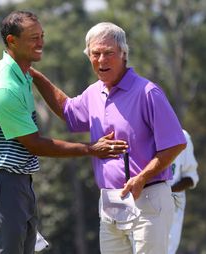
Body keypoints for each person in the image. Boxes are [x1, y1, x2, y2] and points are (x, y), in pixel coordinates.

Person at [0, 12, 128, 254]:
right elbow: (35, 145)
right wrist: (91, 149)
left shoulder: (21, 73)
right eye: (33, 38)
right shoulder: (5, 87)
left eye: (41, 36)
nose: (41, 42)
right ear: (12, 41)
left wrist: (35, 74)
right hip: (0, 184)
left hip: (18, 182)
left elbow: (65, 109)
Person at [31, 21, 187, 254]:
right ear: (88, 56)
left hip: (148, 197)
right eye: (95, 54)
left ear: (123, 54)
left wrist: (142, 177)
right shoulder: (94, 92)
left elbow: (176, 143)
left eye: (108, 53)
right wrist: (32, 74)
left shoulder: (147, 92)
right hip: (110, 202)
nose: (102, 60)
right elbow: (68, 111)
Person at [168, 129, 199, 254]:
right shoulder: (138, 133)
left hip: (172, 209)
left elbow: (191, 177)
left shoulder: (182, 136)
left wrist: (166, 192)